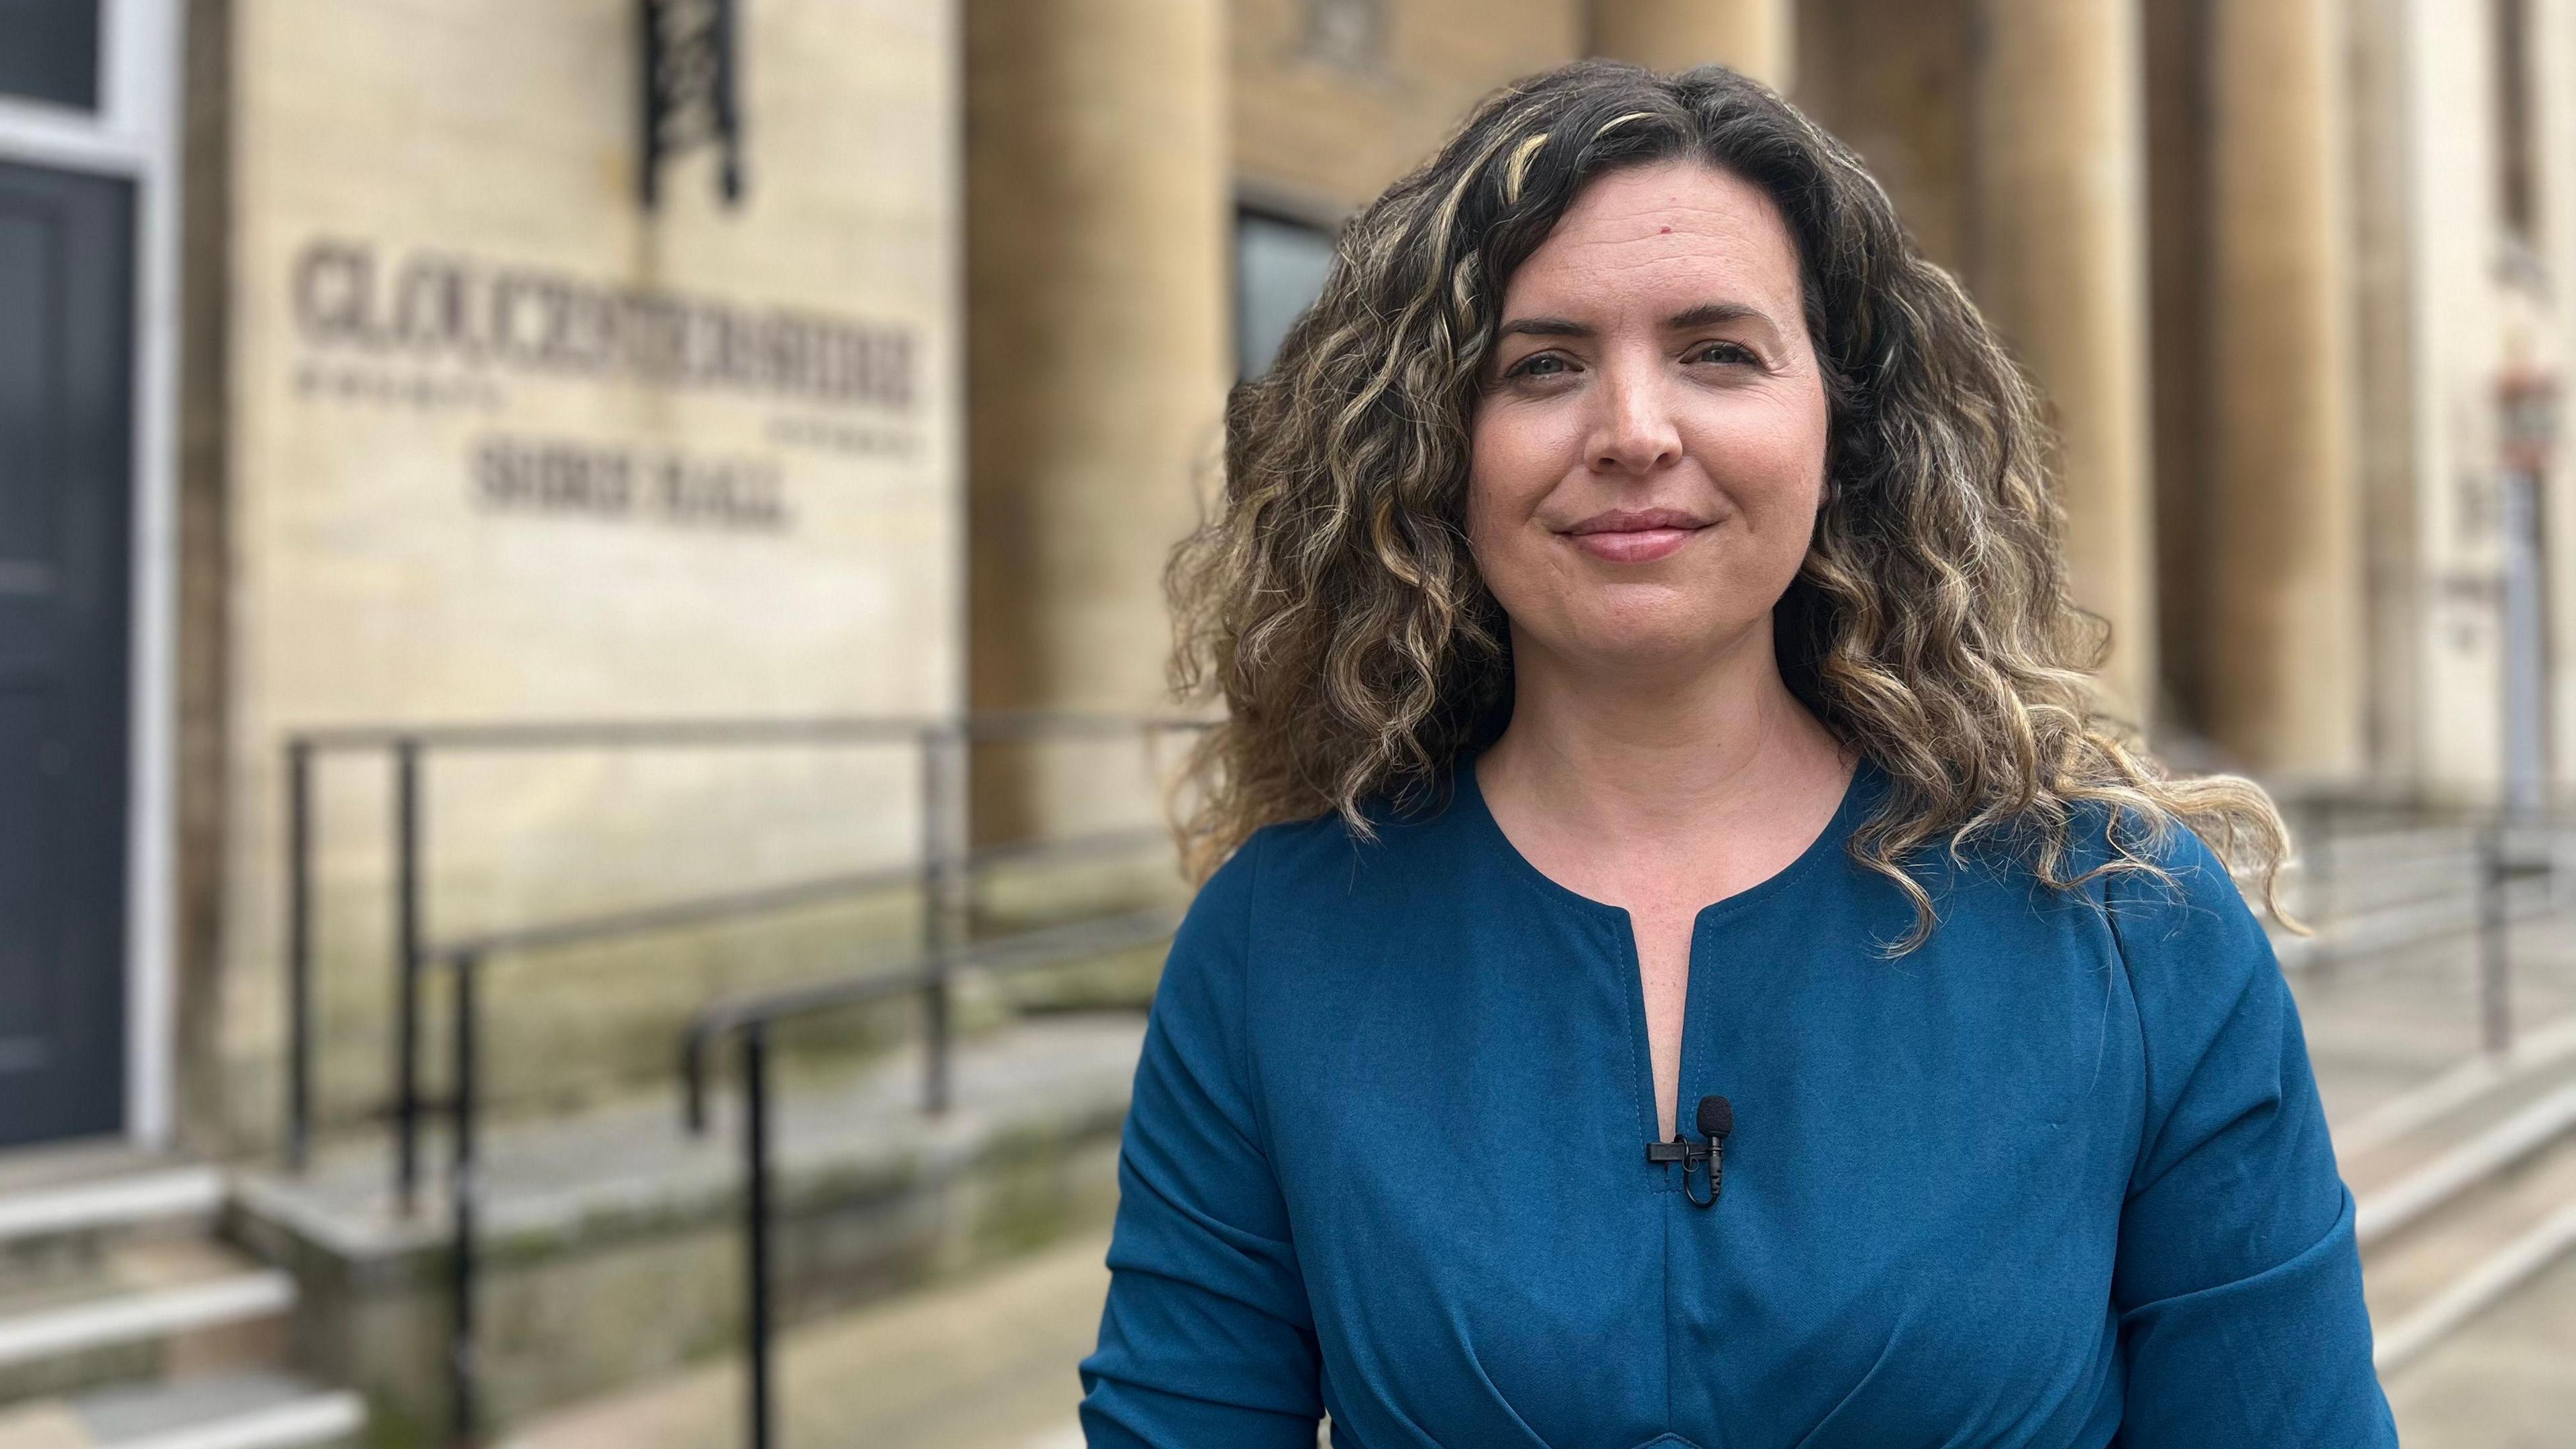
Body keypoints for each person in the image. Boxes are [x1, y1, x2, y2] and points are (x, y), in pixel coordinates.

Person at [1077, 59, 2396, 1448]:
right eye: (1543, 365)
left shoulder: (2132, 927)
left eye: (1718, 351)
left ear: (1841, 434)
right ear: (1440, 455)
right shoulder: (1274, 950)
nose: (1635, 433)